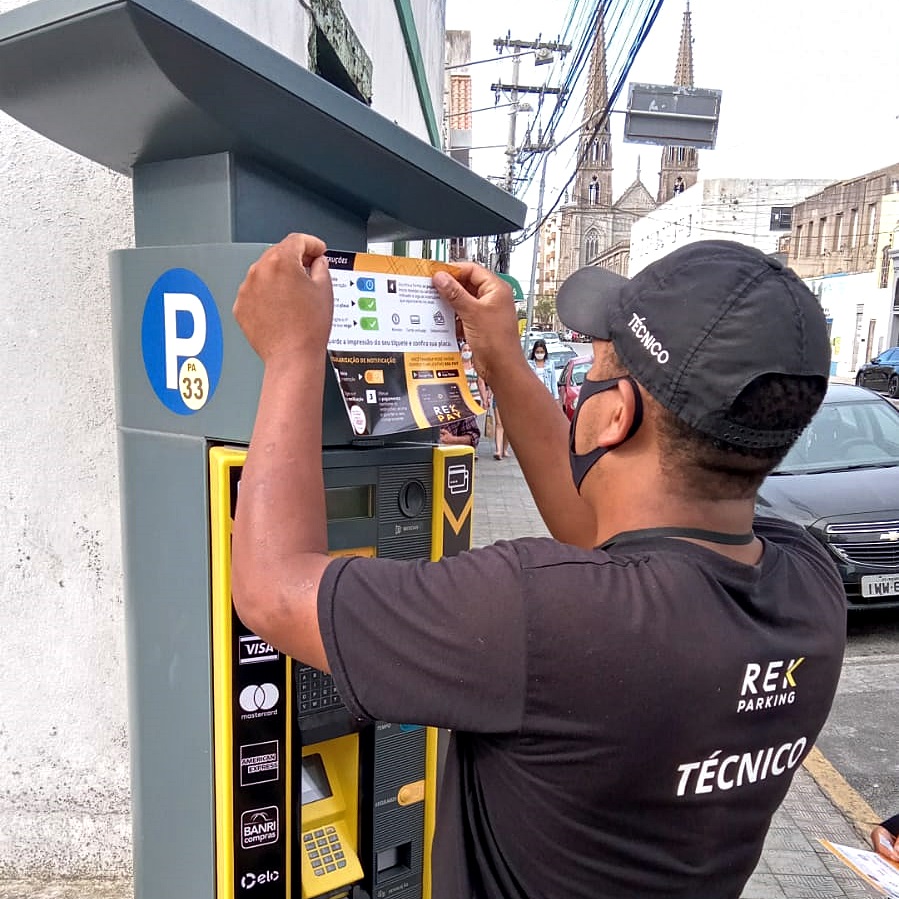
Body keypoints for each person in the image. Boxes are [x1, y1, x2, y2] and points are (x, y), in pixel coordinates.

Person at [231, 234, 846, 899]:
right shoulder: (811, 582)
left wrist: (291, 353)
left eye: (594, 367)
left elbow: (273, 588)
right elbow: (605, 531)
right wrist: (500, 359)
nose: (581, 380)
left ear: (612, 414)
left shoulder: (539, 612)